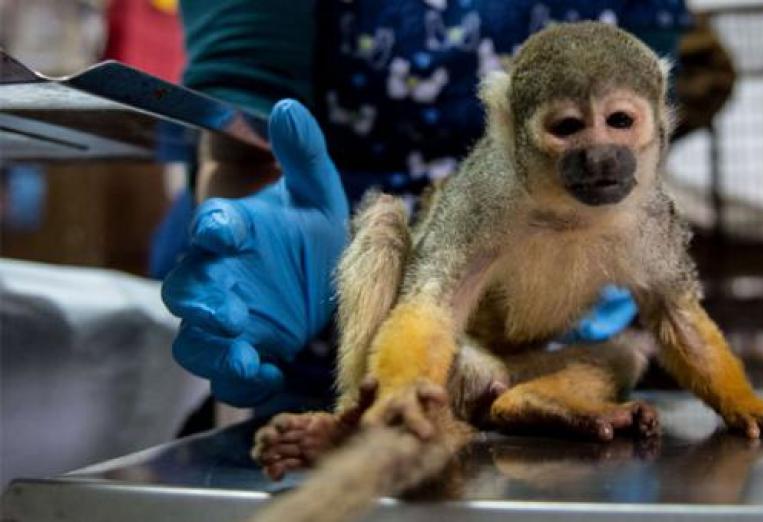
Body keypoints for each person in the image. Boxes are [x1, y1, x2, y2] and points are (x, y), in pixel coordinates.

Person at [161, 0, 691, 412]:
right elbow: (246, 122)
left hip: (561, 334)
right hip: (343, 317)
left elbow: (634, 119)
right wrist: (255, 237)